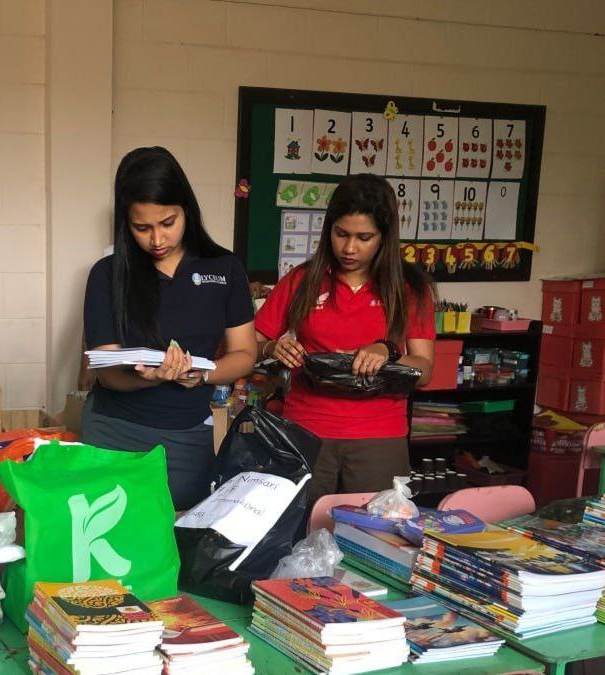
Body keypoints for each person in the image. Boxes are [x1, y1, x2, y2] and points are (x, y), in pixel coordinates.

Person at [81, 146, 258, 510]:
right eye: (141, 228)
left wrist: (203, 375)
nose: (157, 240)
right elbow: (107, 372)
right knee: (107, 542)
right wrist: (151, 377)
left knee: (177, 544)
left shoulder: (224, 269)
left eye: (168, 223)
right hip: (114, 431)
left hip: (186, 434)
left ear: (187, 212)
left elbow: (244, 354)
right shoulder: (107, 274)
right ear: (125, 223)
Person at [254, 173, 435, 502]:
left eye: (364, 237)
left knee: (375, 538)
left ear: (384, 236)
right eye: (341, 234)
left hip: (379, 435)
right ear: (329, 230)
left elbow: (424, 371)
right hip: (307, 431)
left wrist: (388, 352)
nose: (349, 248)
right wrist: (271, 346)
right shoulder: (303, 280)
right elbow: (246, 347)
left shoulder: (409, 288)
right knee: (299, 533)